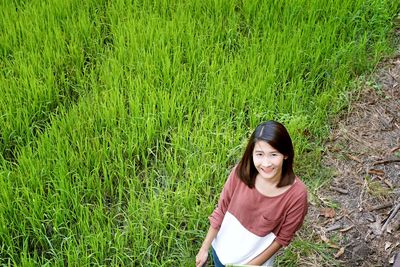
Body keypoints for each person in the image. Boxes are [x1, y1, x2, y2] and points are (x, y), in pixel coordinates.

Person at [195, 121, 308, 267]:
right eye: (259, 154)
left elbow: (282, 239)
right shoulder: (241, 172)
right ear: (252, 153)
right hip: (221, 253)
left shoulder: (297, 195)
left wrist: (252, 265)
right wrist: (204, 248)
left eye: (273, 154)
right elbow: (221, 209)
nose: (266, 164)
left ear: (285, 154)